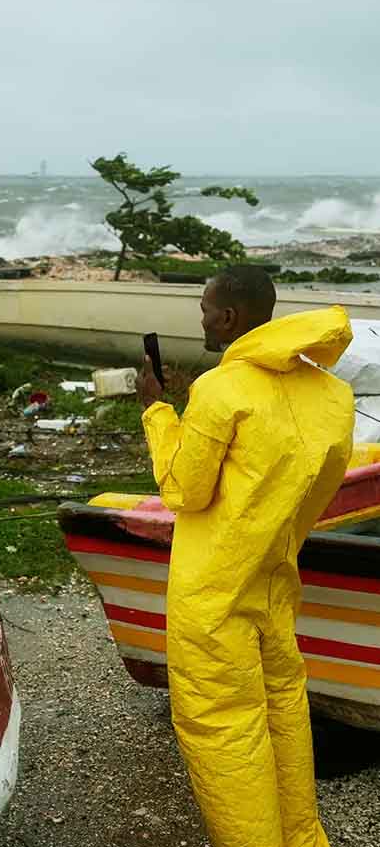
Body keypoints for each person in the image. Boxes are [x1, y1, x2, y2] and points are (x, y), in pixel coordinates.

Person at [136, 265, 354, 847]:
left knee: (224, 729)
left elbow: (184, 490)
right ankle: (303, 838)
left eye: (205, 310)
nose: (203, 321)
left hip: (213, 594)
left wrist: (157, 411)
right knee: (284, 710)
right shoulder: (332, 395)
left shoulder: (222, 390)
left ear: (228, 316)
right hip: (275, 578)